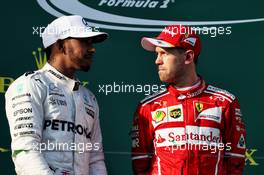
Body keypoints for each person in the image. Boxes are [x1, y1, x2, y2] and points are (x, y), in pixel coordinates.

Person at [131, 25, 246, 175]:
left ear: (188, 57)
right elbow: (140, 165)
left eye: (164, 53)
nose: (157, 61)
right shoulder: (148, 107)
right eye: (157, 54)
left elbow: (235, 163)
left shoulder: (225, 103)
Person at [5, 15, 108, 175]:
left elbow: (95, 158)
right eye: (84, 41)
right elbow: (25, 150)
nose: (92, 48)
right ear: (61, 45)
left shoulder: (89, 97)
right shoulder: (31, 84)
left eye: (92, 42)